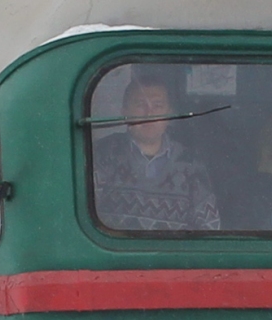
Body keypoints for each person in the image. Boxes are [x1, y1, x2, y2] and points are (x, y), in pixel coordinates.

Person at [89, 69, 220, 232]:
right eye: (140, 105)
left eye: (157, 106)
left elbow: (208, 228)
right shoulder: (104, 154)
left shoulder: (191, 163)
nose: (149, 113)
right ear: (124, 111)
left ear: (169, 113)